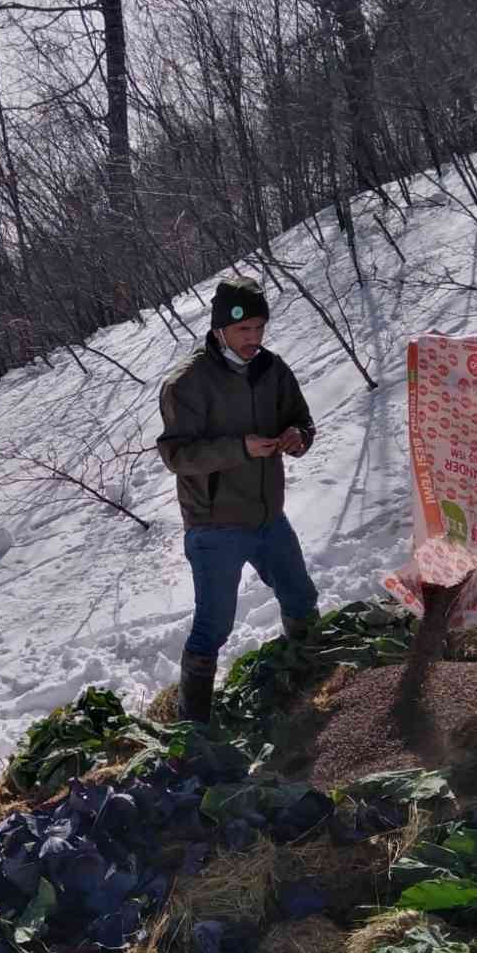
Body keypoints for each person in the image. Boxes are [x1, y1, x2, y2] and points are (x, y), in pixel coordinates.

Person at [157, 276, 320, 723]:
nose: (253, 339)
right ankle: (193, 723)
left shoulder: (272, 369)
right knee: (215, 625)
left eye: (259, 328)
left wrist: (296, 438)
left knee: (301, 598)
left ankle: (311, 684)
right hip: (215, 525)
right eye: (243, 330)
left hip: (269, 517)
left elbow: (303, 421)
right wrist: (239, 449)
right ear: (219, 329)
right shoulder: (186, 383)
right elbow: (176, 454)